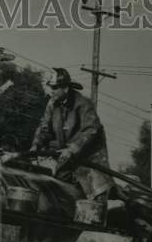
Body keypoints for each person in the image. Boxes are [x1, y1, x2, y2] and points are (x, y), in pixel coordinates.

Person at [29, 68, 113, 209]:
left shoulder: (83, 104)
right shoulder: (52, 104)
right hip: (68, 157)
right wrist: (35, 146)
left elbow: (91, 129)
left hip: (90, 159)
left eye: (55, 87)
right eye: (50, 87)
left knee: (95, 192)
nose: (51, 91)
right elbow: (44, 127)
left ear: (65, 88)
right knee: (57, 187)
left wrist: (72, 149)